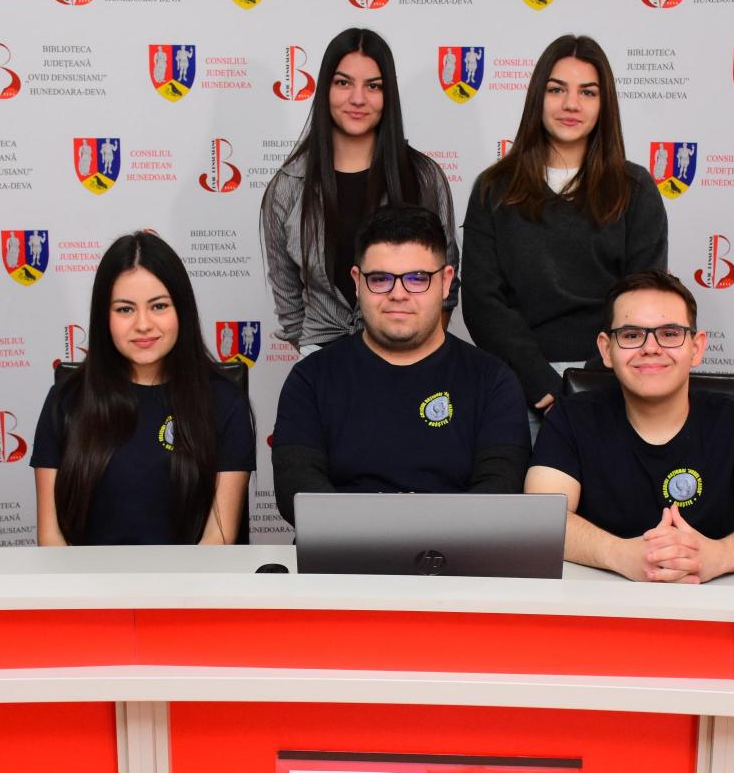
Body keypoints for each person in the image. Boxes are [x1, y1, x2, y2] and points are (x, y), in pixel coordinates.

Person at [525, 270, 734, 583]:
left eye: (670, 334)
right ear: (606, 350)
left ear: (696, 348)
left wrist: (717, 556)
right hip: (601, 602)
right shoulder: (570, 417)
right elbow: (540, 519)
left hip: (717, 602)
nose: (651, 347)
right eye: (631, 335)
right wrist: (619, 554)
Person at [271, 205, 528, 525]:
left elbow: (499, 493)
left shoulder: (493, 381)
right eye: (380, 279)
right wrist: (383, 531)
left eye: (417, 279)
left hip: (456, 551)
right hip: (343, 551)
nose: (398, 294)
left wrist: (418, 531)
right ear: (357, 282)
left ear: (446, 282)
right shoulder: (311, 378)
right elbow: (296, 491)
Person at [463, 34, 667, 430]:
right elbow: (481, 301)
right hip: (520, 386)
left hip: (612, 384)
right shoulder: (493, 188)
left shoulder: (636, 189)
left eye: (587, 92)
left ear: (604, 104)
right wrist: (541, 382)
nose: (571, 104)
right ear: (538, 97)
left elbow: (644, 301)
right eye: (557, 89)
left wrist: (587, 384)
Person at [32, 231, 254, 546]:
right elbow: (51, 537)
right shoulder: (66, 400)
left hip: (192, 577)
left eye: (159, 306)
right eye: (125, 309)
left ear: (182, 310)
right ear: (103, 316)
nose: (143, 324)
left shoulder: (224, 402)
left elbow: (218, 537)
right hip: (86, 578)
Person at [261, 27, 460, 355]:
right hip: (322, 357)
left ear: (388, 95)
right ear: (325, 89)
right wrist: (313, 355)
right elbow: (287, 295)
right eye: (343, 83)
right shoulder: (288, 186)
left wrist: (419, 353)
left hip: (408, 355)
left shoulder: (424, 177)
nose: (357, 98)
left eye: (373, 86)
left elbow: (445, 285)